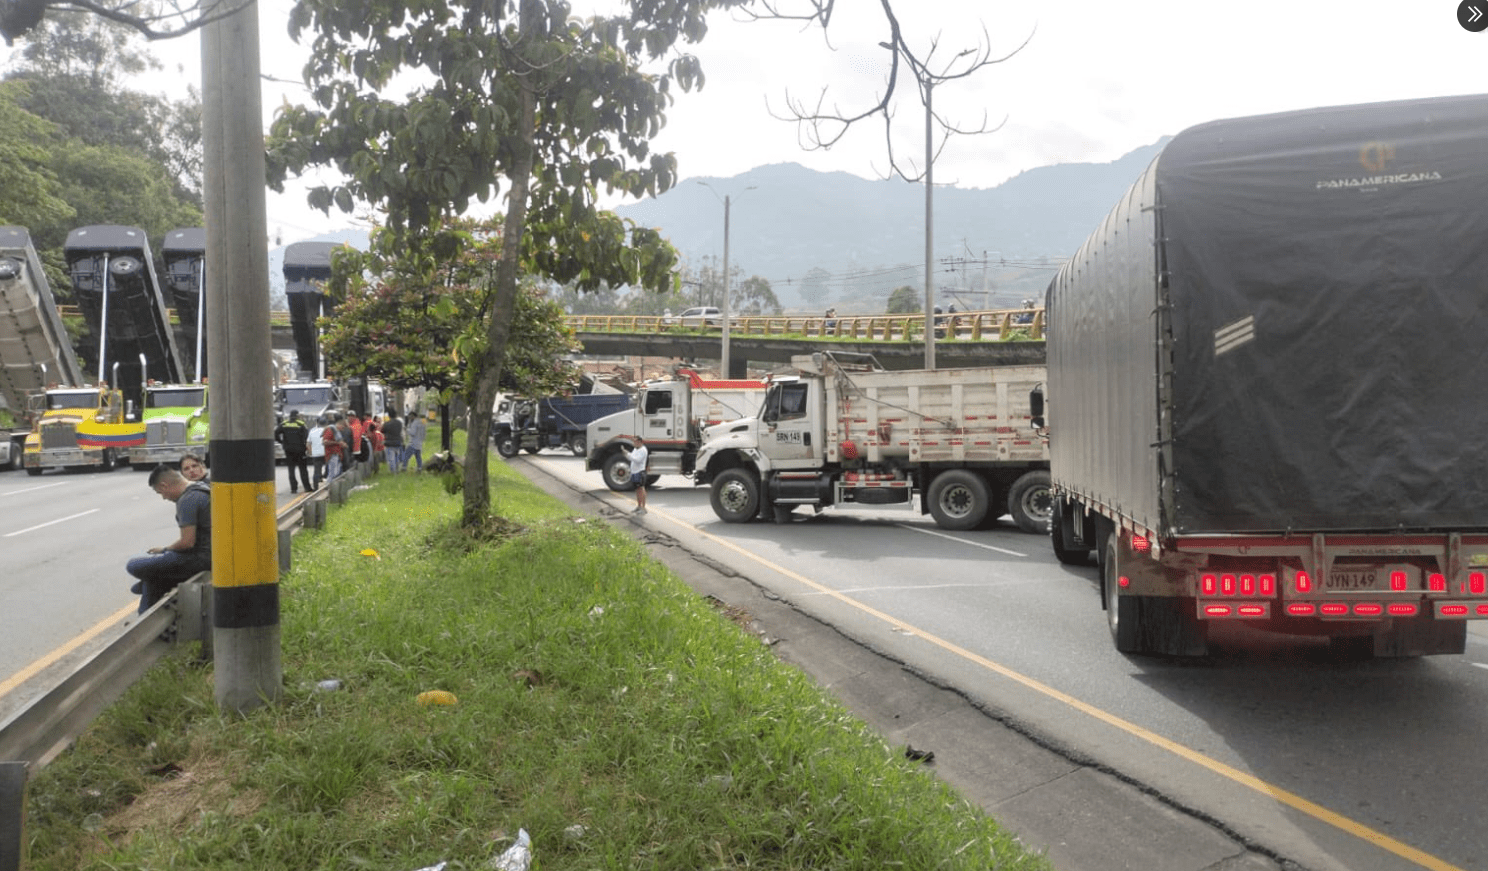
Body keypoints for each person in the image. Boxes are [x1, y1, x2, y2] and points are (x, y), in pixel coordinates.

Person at [126, 465, 211, 613]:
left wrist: (165, 549)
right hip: (212, 554)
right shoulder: (201, 487)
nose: (164, 498)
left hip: (201, 558)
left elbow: (187, 542)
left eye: (161, 493)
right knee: (153, 580)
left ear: (164, 485)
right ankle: (144, 620)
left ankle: (147, 589)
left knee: (134, 564)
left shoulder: (187, 500)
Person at [274, 408, 313, 494]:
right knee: (303, 469)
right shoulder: (301, 424)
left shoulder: (284, 424)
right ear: (297, 416)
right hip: (300, 450)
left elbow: (275, 433)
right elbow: (306, 437)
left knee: (291, 469)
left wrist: (281, 442)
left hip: (288, 450)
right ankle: (307, 487)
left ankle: (293, 488)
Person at [627, 437, 649, 515]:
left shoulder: (643, 450)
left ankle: (643, 507)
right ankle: (639, 506)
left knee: (641, 488)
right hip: (634, 472)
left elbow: (637, 460)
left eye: (635, 441)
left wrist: (628, 455)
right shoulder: (635, 449)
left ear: (639, 442)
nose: (633, 443)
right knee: (637, 489)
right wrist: (628, 454)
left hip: (640, 472)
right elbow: (632, 457)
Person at [323, 413, 347, 480]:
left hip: (337, 454)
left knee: (336, 473)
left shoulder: (337, 432)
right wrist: (337, 443)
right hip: (332, 454)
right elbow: (325, 442)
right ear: (339, 424)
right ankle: (330, 487)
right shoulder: (330, 430)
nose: (343, 429)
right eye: (343, 427)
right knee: (332, 474)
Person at [307, 415, 328, 489]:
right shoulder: (327, 430)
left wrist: (310, 453)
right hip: (326, 453)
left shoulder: (312, 430)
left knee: (316, 470)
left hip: (315, 454)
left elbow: (308, 443)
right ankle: (327, 482)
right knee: (328, 468)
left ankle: (315, 487)